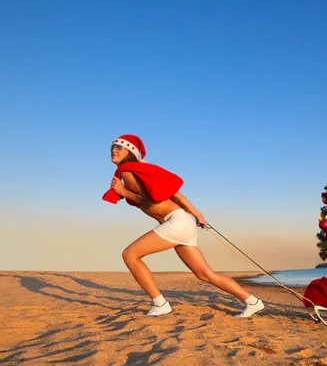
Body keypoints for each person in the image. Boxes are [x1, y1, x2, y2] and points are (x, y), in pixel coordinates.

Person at [103, 134, 264, 318]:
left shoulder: (127, 170)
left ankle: (160, 303)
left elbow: (150, 201)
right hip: (182, 220)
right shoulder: (140, 170)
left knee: (130, 255)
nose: (114, 150)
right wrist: (197, 215)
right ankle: (253, 302)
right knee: (205, 274)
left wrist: (124, 192)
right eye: (112, 147)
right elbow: (176, 195)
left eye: (119, 147)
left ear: (129, 152)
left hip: (175, 222)